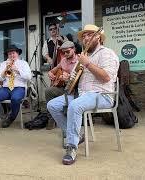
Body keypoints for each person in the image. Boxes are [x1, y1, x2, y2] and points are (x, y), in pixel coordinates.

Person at [47, 24, 119, 165]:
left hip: (102, 95)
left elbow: (106, 77)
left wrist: (87, 64)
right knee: (52, 105)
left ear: (98, 37)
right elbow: (74, 78)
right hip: (81, 94)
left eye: (89, 35)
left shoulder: (107, 53)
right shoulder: (84, 56)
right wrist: (67, 78)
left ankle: (71, 146)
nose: (85, 38)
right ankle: (76, 135)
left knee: (75, 105)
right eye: (83, 36)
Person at [0, 45, 32, 132]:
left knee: (15, 98)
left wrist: (17, 70)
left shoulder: (23, 63)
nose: (12, 55)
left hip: (19, 87)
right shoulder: (4, 64)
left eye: (13, 53)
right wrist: (5, 70)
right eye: (9, 54)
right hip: (6, 88)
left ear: (17, 54)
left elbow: (28, 77)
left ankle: (11, 117)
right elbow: (0, 79)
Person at [45, 40, 78, 130]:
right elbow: (53, 70)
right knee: (48, 91)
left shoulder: (79, 60)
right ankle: (51, 118)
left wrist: (69, 78)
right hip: (64, 88)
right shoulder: (63, 60)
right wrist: (50, 73)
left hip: (75, 90)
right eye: (64, 52)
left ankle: (70, 124)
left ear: (74, 49)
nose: (66, 54)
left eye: (68, 52)